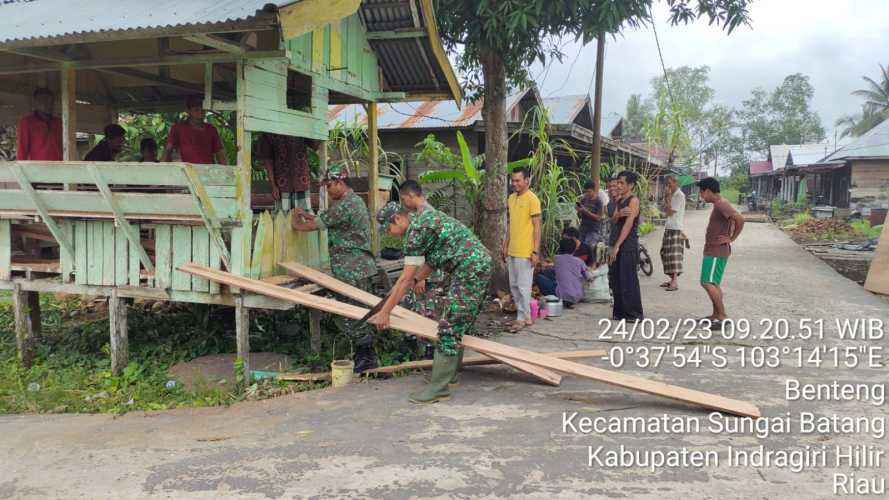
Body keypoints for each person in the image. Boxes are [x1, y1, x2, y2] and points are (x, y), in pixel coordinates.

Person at [369, 202, 492, 404]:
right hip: (474, 265)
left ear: (398, 219)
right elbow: (434, 259)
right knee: (458, 322)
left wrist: (385, 312)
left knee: (449, 326)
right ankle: (449, 376)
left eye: (389, 228)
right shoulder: (424, 219)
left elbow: (404, 279)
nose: (391, 234)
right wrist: (418, 279)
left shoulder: (415, 233)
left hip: (470, 269)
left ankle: (439, 389)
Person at [291, 164, 380, 372]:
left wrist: (296, 222)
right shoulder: (352, 201)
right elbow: (327, 220)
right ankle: (365, 356)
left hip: (352, 269)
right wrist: (307, 213)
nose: (328, 190)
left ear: (340, 183)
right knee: (360, 313)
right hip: (358, 267)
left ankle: (365, 359)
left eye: (329, 186)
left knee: (353, 315)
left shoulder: (344, 205)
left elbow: (314, 226)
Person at [697, 177, 745, 327]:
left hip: (716, 250)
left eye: (701, 193)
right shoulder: (719, 204)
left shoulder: (721, 204)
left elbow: (740, 219)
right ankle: (715, 314)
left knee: (706, 282)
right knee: (713, 283)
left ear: (708, 191)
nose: (701, 196)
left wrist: (731, 238)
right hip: (715, 250)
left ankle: (723, 316)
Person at [502, 167, 541, 333]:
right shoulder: (511, 198)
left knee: (524, 286)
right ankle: (525, 316)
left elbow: (537, 227)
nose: (514, 183)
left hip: (525, 251)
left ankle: (521, 317)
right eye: (513, 180)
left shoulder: (533, 199)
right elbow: (510, 225)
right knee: (514, 286)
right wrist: (505, 245)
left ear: (527, 180)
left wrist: (535, 252)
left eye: (518, 180)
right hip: (512, 250)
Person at [608, 170, 644, 321]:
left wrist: (617, 246)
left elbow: (628, 226)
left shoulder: (633, 201)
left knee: (628, 279)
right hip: (617, 241)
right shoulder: (619, 200)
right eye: (618, 182)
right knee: (616, 278)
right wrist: (618, 214)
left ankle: (633, 313)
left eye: (622, 183)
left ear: (631, 185)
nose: (619, 185)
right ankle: (620, 311)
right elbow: (613, 221)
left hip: (627, 244)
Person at [163, 95, 227, 165]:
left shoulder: (211, 130)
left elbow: (219, 154)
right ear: (188, 111)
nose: (200, 113)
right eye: (196, 110)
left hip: (208, 172)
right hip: (187, 171)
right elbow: (168, 150)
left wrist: (227, 173)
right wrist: (162, 168)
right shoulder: (177, 128)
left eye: (202, 110)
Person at [258, 133, 313, 211]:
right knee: (282, 219)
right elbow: (268, 160)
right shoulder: (269, 132)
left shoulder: (301, 127)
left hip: (301, 184)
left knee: (304, 218)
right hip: (282, 187)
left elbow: (315, 145)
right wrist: (273, 186)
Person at [16, 88, 62, 161]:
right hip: (38, 168)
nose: (48, 105)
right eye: (43, 102)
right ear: (35, 103)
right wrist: (20, 170)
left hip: (61, 167)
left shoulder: (58, 123)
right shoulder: (27, 122)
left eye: (50, 102)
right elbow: (22, 149)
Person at [659, 175, 687, 291]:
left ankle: (675, 282)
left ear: (675, 182)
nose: (668, 186)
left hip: (676, 228)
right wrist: (666, 199)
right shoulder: (672, 195)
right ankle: (671, 279)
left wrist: (668, 199)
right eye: (666, 184)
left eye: (669, 183)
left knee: (674, 255)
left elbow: (669, 212)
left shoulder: (679, 195)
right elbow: (663, 210)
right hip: (669, 227)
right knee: (665, 254)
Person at [554, 238, 592, 308]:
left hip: (562, 295)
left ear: (560, 248)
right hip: (577, 296)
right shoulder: (580, 261)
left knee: (541, 277)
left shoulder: (556, 259)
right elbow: (588, 277)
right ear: (575, 249)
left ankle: (559, 299)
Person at [576, 180, 605, 249]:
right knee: (578, 247)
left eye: (589, 191)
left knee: (587, 248)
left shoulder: (599, 202)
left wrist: (585, 211)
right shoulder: (583, 200)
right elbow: (579, 216)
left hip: (593, 230)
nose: (587, 193)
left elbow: (598, 218)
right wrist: (579, 211)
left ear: (594, 190)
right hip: (583, 228)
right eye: (585, 192)